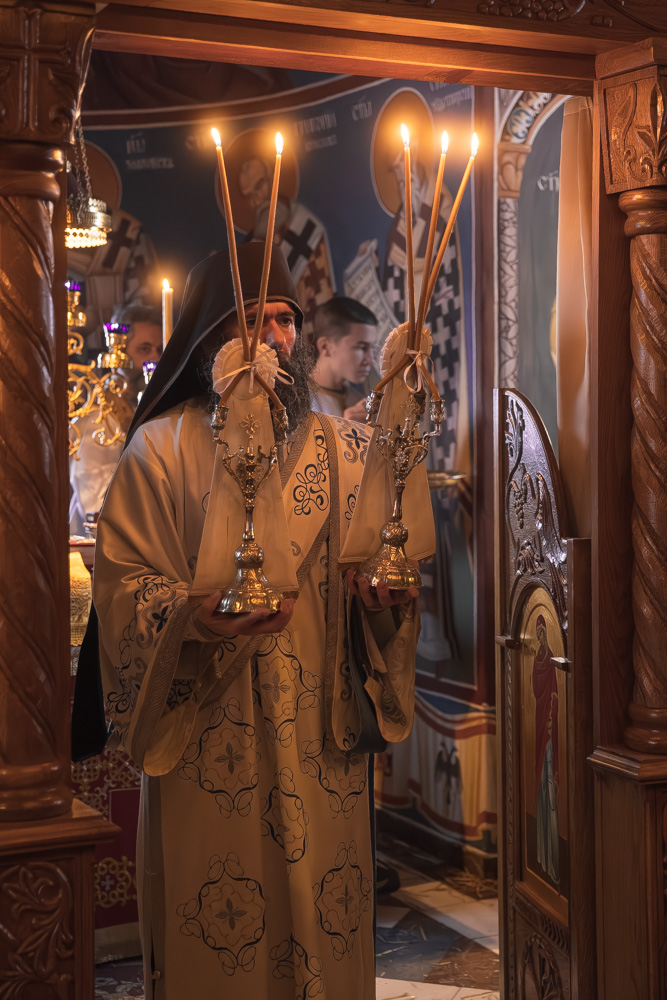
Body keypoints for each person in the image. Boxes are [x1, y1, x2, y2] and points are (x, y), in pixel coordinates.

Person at [74, 242, 420, 1000]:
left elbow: (378, 572)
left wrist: (383, 602)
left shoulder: (348, 451)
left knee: (325, 926)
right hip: (208, 729)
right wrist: (190, 615)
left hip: (320, 740)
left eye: (285, 321)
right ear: (211, 338)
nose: (273, 338)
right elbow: (125, 587)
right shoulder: (159, 451)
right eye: (252, 320)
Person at [69, 305, 163, 535]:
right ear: (119, 352)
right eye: (144, 349)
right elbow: (96, 504)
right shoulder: (99, 418)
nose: (155, 359)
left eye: (161, 350)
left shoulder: (159, 412)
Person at [311, 297, 378, 422]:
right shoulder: (300, 403)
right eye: (361, 347)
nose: (370, 360)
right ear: (326, 347)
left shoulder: (356, 400)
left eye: (371, 348)